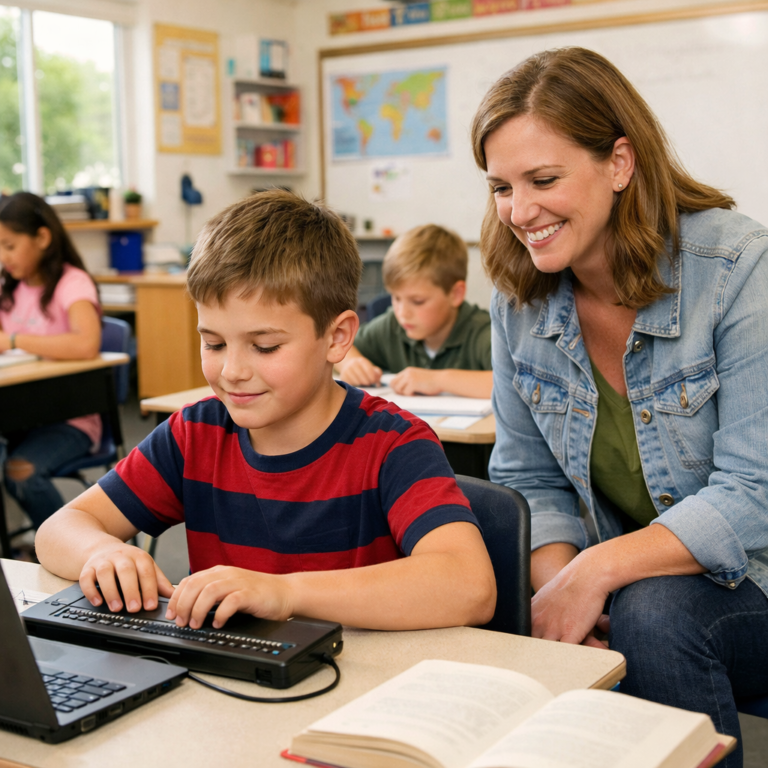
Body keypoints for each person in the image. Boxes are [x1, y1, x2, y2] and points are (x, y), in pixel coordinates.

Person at [471, 47, 768, 767]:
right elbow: (528, 482)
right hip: (628, 588)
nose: (519, 212)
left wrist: (596, 574)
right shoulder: (518, 302)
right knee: (506, 603)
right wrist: (565, 588)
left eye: (542, 180)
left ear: (619, 163)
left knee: (654, 613)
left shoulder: (736, 267)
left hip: (750, 578)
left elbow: (754, 491)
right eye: (501, 187)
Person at [35, 190, 496, 633]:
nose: (232, 371)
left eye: (265, 346)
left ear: (337, 338)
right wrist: (101, 552)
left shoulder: (393, 444)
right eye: (213, 342)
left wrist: (285, 593)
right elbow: (59, 529)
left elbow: (469, 586)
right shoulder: (194, 435)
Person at [0, 192, 102, 534]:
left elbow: (87, 343)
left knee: (21, 472)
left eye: (9, 246)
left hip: (69, 416)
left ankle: (71, 547)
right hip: (19, 414)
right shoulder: (10, 289)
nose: (3, 257)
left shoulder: (71, 283)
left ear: (42, 238)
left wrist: (15, 340)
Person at [336, 224, 493, 398]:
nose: (402, 313)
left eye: (417, 302)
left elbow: (513, 384)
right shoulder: (393, 325)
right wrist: (351, 363)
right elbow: (340, 343)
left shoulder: (484, 332)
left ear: (456, 294)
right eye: (396, 298)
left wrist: (438, 380)